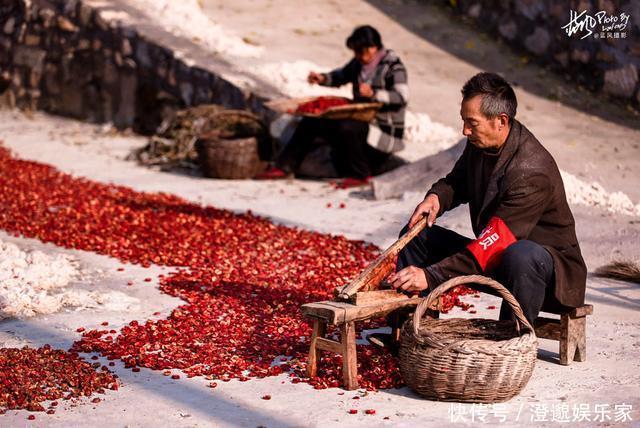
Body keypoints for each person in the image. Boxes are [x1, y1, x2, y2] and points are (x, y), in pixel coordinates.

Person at [387, 72, 587, 326]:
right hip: (496, 254)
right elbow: (458, 181)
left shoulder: (532, 171)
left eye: (472, 123)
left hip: (544, 274)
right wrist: (437, 197)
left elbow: (495, 242)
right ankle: (409, 327)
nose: (465, 130)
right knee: (418, 235)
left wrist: (431, 275)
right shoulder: (481, 143)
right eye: (464, 121)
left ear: (500, 121)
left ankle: (512, 340)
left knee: (520, 254)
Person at [259, 25, 408, 182]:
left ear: (373, 48)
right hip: (361, 120)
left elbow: (401, 97)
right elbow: (341, 75)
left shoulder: (393, 67)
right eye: (356, 52)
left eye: (361, 52)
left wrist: (374, 94)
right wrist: (323, 79)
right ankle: (284, 167)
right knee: (312, 120)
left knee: (347, 127)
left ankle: (360, 175)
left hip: (382, 129)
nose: (358, 56)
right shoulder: (359, 63)